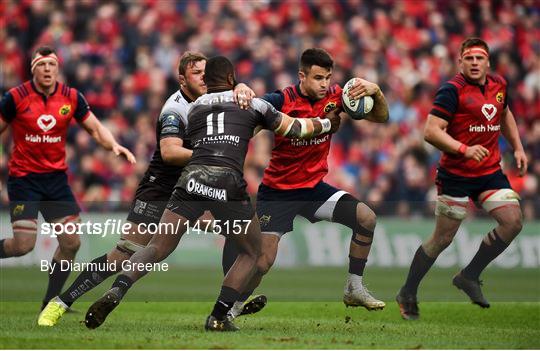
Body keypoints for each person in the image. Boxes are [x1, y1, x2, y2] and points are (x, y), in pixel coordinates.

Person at [82, 55, 341, 332]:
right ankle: (218, 315)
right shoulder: (252, 104)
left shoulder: (194, 108)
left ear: (206, 81)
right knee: (253, 251)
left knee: (157, 246)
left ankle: (117, 290)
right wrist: (327, 124)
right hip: (227, 181)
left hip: (191, 179)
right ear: (233, 80)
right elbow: (295, 128)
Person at [37, 52, 262, 326]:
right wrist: (213, 154)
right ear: (182, 80)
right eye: (196, 74)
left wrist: (241, 86)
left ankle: (230, 305)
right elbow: (169, 152)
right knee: (124, 254)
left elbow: (241, 99)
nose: (204, 78)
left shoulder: (216, 100)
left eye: (206, 73)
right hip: (163, 188)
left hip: (198, 186)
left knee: (238, 232)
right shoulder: (175, 109)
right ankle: (60, 302)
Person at [221, 47, 389, 318]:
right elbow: (248, 118)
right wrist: (242, 90)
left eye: (328, 78)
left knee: (366, 218)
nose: (325, 84)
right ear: (302, 76)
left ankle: (354, 287)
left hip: (313, 189)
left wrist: (376, 91)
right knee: (262, 262)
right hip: (278, 193)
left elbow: (380, 117)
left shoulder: (337, 97)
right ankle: (233, 307)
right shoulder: (281, 100)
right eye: (318, 78)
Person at [396, 38, 528, 320]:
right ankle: (407, 291)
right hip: (455, 174)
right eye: (469, 58)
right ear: (460, 63)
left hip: (489, 172)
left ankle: (469, 275)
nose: (475, 63)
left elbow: (505, 116)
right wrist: (464, 149)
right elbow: (431, 131)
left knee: (513, 221)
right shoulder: (451, 91)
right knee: (442, 238)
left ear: (488, 62)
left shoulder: (499, 86)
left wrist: (517, 147)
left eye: (480, 58)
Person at [0, 46, 136, 311]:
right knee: (23, 245)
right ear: (33, 69)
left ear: (57, 68)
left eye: (51, 64)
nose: (47, 69)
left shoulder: (71, 97)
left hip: (55, 181)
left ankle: (49, 301)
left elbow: (95, 127)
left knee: (72, 243)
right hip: (24, 179)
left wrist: (114, 146)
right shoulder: (15, 98)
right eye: (42, 65)